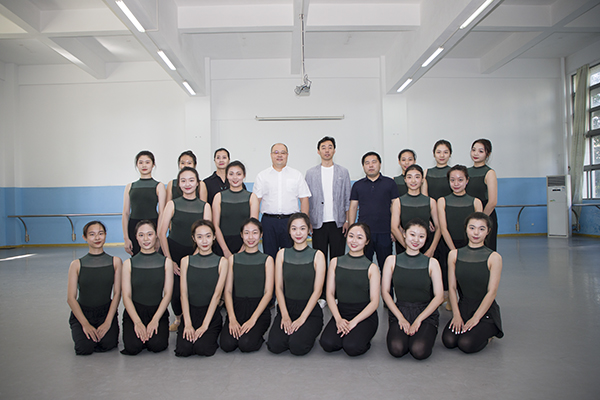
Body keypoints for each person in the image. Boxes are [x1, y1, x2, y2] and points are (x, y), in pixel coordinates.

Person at [381, 218, 444, 360]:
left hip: (425, 313)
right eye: (412, 234)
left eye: (421, 236)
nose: (416, 240)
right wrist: (400, 318)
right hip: (401, 311)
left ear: (426, 238)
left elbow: (439, 296)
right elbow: (385, 292)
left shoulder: (432, 263)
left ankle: (426, 331)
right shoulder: (391, 260)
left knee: (419, 350)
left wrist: (419, 320)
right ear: (404, 234)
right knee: (397, 348)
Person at [158, 166, 212, 332]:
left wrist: (194, 257)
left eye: (191, 180)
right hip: (174, 251)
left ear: (197, 183)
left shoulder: (205, 206)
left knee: (194, 289)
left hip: (196, 253)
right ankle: (178, 317)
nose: (187, 184)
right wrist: (170, 260)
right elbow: (161, 233)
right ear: (179, 184)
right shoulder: (172, 204)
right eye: (183, 181)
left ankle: (196, 318)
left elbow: (208, 233)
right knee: (175, 291)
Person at [442, 212, 503, 354]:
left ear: (488, 231)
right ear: (466, 229)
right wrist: (456, 315)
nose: (476, 233)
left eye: (481, 229)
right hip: (464, 307)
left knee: (466, 344)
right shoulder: (454, 255)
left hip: (485, 310)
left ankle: (490, 333)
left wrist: (476, 318)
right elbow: (452, 287)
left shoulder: (494, 257)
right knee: (449, 341)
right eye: (472, 228)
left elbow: (492, 292)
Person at [267, 213, 326, 356]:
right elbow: (278, 288)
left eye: (302, 228)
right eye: (294, 229)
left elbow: (318, 291)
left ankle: (307, 331)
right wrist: (285, 315)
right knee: (275, 346)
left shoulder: (318, 255)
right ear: (289, 231)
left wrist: (302, 318)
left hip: (309, 312)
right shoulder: (282, 254)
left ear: (309, 230)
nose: (298, 233)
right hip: (287, 309)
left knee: (297, 347)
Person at [319, 223, 380, 356]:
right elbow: (330, 294)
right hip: (342, 313)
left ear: (367, 241)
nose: (354, 241)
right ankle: (348, 333)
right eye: (351, 236)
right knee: (327, 343)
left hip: (364, 315)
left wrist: (354, 322)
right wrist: (338, 319)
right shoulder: (335, 262)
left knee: (352, 347)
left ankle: (361, 336)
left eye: (359, 237)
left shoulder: (372, 268)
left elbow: (375, 302)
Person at [67, 221, 122, 355]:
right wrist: (85, 324)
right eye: (92, 234)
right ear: (84, 237)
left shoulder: (115, 262)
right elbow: (71, 298)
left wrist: (108, 322)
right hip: (83, 312)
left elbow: (117, 293)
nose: (97, 238)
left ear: (105, 235)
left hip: (105, 312)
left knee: (108, 344)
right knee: (84, 348)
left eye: (100, 233)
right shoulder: (76, 264)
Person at [220, 218, 274, 353]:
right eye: (247, 233)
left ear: (261, 235)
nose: (250, 237)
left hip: (258, 310)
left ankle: (257, 334)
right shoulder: (233, 259)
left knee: (246, 344)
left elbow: (268, 293)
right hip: (237, 309)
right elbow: (228, 291)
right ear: (241, 235)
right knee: (227, 344)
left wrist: (253, 320)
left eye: (255, 233)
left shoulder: (267, 260)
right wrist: (232, 318)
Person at [175, 220, 228, 357]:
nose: (204, 241)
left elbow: (217, 295)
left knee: (202, 349)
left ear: (214, 237)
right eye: (199, 236)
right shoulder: (186, 261)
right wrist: (187, 323)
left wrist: (205, 325)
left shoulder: (222, 262)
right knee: (184, 350)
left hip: (210, 313)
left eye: (208, 236)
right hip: (190, 313)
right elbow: (183, 294)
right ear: (193, 238)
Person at [121, 220, 174, 355]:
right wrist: (137, 322)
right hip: (135, 312)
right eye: (141, 235)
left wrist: (155, 320)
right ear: (136, 237)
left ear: (156, 235)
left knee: (157, 345)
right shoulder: (128, 264)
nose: (146, 239)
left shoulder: (166, 262)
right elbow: (126, 296)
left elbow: (168, 294)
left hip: (157, 311)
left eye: (149, 234)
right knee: (133, 347)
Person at [253, 143, 311, 259]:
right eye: (276, 152)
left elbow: (304, 199)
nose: (279, 155)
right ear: (271, 155)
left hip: (291, 222)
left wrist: (304, 222)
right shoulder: (262, 176)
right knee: (269, 257)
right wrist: (254, 225)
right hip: (269, 222)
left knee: (291, 257)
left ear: (287, 155)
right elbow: (255, 201)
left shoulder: (296, 175)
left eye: (283, 153)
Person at [437, 165, 483, 310]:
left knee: (467, 275)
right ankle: (451, 299)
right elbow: (443, 228)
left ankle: (469, 301)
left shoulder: (475, 202)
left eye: (460, 180)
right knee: (449, 274)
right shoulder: (442, 201)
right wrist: (454, 251)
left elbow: (479, 227)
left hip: (469, 245)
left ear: (467, 180)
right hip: (448, 243)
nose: (456, 183)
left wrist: (469, 248)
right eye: (452, 180)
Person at [305, 136, 351, 262]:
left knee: (338, 259)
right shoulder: (310, 173)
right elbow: (307, 200)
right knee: (320, 259)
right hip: (317, 223)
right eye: (323, 148)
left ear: (334, 150)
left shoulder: (343, 172)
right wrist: (307, 221)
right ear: (318, 151)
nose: (327, 150)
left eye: (330, 147)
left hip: (338, 222)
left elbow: (347, 198)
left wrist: (347, 220)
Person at [348, 152, 399, 267]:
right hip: (363, 233)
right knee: (363, 266)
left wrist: (395, 229)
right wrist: (352, 230)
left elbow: (395, 207)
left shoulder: (390, 183)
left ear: (380, 164)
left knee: (386, 266)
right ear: (363, 166)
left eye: (374, 162)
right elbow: (353, 207)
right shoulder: (358, 185)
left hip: (385, 232)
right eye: (367, 163)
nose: (370, 165)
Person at [122, 151, 166, 255]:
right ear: (137, 165)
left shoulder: (159, 186)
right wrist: (126, 238)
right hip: (134, 226)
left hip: (153, 225)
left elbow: (162, 213)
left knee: (154, 258)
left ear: (153, 164)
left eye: (147, 162)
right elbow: (125, 213)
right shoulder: (130, 186)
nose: (144, 165)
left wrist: (158, 236)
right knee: (136, 258)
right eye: (141, 162)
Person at [391, 165, 441, 257]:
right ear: (405, 179)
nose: (413, 181)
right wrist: (408, 247)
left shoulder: (431, 202)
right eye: (409, 177)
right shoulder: (398, 202)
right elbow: (394, 227)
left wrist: (432, 249)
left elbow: (439, 227)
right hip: (404, 247)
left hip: (426, 248)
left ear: (422, 180)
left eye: (417, 177)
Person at [212, 161, 259, 258]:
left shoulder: (252, 197)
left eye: (238, 174)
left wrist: (243, 248)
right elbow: (215, 225)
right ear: (226, 176)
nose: (235, 178)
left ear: (244, 175)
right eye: (231, 174)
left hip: (245, 244)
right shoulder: (219, 197)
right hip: (222, 244)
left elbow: (254, 226)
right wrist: (225, 250)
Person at [466, 139, 498, 250]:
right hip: (470, 213)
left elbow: (492, 202)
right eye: (473, 150)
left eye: (480, 151)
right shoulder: (466, 171)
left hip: (486, 214)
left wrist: (481, 220)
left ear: (487, 154)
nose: (475, 153)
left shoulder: (489, 173)